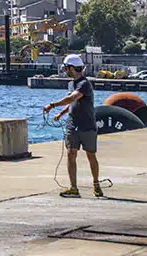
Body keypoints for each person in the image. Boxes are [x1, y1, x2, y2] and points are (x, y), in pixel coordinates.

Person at [43, 54, 103, 198]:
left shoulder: (84, 84)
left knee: (91, 156)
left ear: (71, 68)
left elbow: (73, 98)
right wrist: (61, 114)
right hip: (72, 125)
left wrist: (53, 105)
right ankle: (73, 188)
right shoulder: (71, 84)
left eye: (66, 68)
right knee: (71, 155)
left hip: (87, 126)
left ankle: (96, 184)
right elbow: (72, 103)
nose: (65, 70)